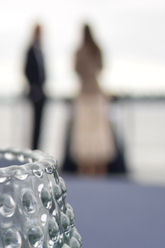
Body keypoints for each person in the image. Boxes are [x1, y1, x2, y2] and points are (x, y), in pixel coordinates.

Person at [70, 24, 115, 175]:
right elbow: (100, 68)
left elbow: (76, 70)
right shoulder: (97, 49)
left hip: (84, 94)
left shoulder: (79, 51)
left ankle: (86, 169)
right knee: (98, 133)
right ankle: (100, 168)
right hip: (96, 93)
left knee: (84, 134)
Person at [25, 23, 47, 151]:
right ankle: (33, 150)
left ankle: (38, 149)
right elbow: (26, 70)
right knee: (33, 125)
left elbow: (43, 71)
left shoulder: (40, 50)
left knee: (40, 125)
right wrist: (33, 87)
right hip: (34, 93)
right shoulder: (31, 50)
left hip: (42, 93)